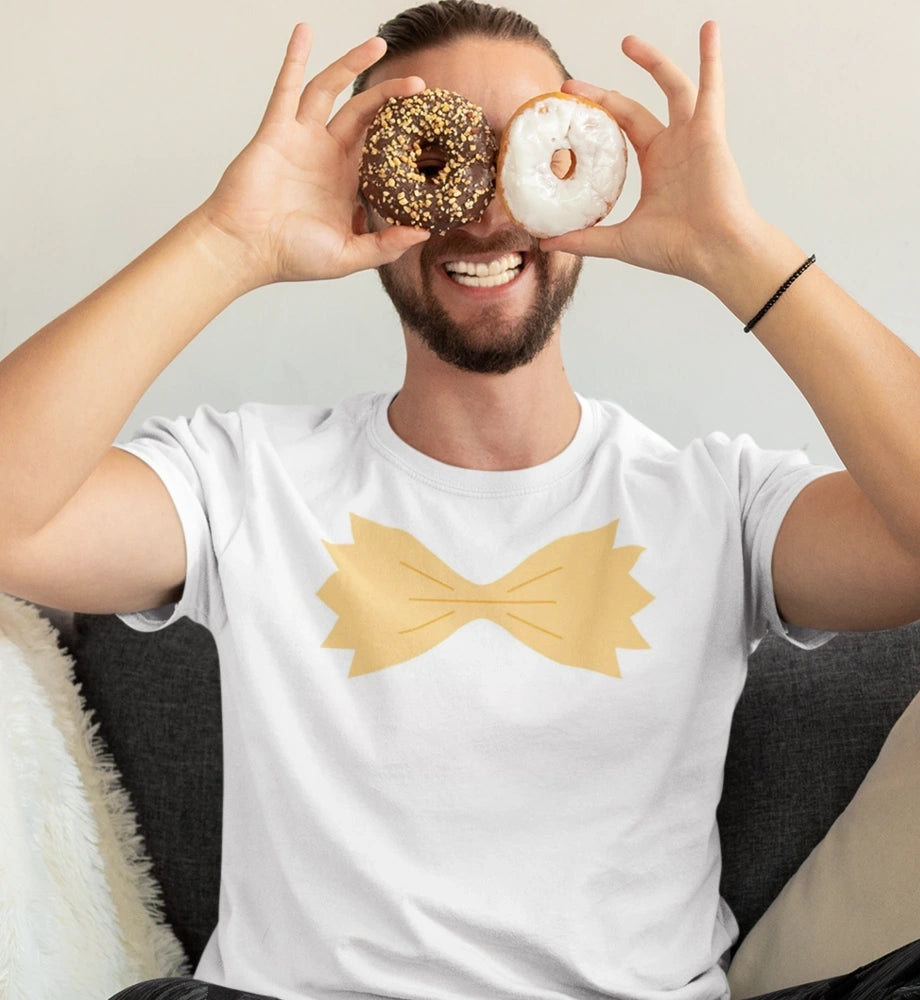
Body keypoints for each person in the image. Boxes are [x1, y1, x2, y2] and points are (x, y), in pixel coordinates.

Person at [1, 2, 919, 999]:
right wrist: (230, 242)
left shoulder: (718, 500)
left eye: (520, 150)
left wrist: (734, 250)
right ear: (363, 200)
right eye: (445, 160)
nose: (483, 210)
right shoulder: (242, 478)